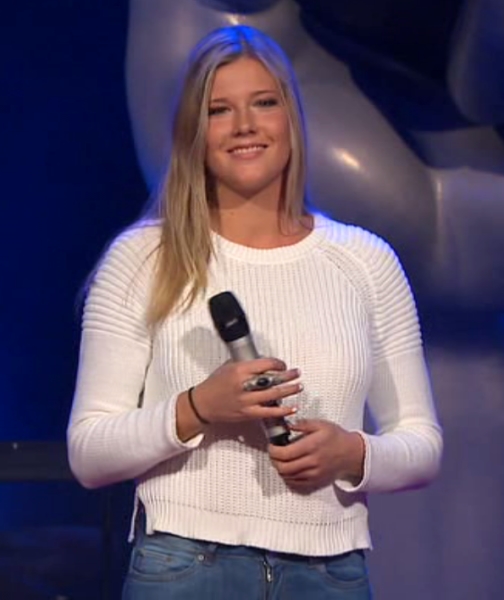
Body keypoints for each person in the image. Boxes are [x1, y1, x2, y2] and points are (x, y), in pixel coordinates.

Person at [67, 24, 442, 600]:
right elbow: (89, 453)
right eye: (219, 110)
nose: (244, 125)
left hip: (329, 572)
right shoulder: (146, 256)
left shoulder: (365, 260)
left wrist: (350, 452)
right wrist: (199, 407)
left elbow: (422, 446)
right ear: (194, 132)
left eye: (264, 103)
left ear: (291, 119)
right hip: (187, 566)